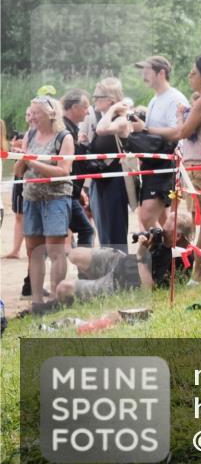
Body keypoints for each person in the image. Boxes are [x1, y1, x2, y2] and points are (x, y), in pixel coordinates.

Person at [143, 56, 201, 279]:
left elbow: (182, 133)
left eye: (193, 73)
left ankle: (198, 274)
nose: (190, 76)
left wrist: (148, 128)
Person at [56, 209, 195, 305]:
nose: (162, 230)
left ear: (177, 236)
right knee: (75, 254)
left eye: (166, 228)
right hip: (122, 261)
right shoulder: (168, 241)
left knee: (63, 288)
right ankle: (90, 285)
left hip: (122, 282)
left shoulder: (179, 260)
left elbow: (150, 290)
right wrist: (148, 243)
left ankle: (82, 294)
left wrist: (141, 255)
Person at [16, 95, 74, 313]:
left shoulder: (64, 137)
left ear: (50, 114)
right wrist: (21, 160)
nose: (31, 117)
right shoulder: (29, 135)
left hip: (56, 198)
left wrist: (32, 161)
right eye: (31, 112)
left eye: (36, 113)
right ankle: (38, 302)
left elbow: (63, 171)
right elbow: (20, 172)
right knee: (33, 250)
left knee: (55, 250)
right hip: (31, 197)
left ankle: (57, 300)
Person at [135, 56, 189, 230]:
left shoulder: (175, 98)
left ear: (161, 73)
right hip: (153, 163)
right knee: (164, 219)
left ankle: (170, 252)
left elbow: (178, 132)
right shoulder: (154, 99)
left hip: (168, 163)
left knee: (147, 216)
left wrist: (145, 129)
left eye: (147, 71)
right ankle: (169, 254)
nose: (144, 75)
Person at [91, 78, 130, 252]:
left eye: (98, 96)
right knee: (103, 229)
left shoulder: (120, 120)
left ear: (111, 99)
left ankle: (122, 274)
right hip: (100, 180)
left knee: (115, 229)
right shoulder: (102, 117)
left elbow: (102, 130)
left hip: (116, 179)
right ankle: (109, 272)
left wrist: (114, 108)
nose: (94, 100)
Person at [60, 89, 95, 247]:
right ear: (74, 107)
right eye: (85, 107)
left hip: (69, 190)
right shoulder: (63, 130)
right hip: (63, 192)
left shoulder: (69, 128)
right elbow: (66, 166)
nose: (88, 112)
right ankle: (85, 271)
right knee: (86, 230)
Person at [4, 109, 31, 259]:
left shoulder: (46, 136)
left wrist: (22, 152)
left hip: (33, 178)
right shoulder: (22, 135)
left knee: (30, 215)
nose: (29, 116)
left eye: (31, 113)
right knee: (19, 215)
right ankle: (16, 250)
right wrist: (15, 150)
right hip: (20, 178)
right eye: (27, 114)